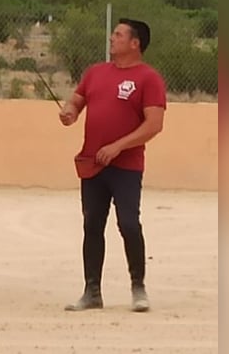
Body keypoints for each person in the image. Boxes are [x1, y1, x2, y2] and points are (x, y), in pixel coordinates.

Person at [58, 18, 166, 313]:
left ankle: (138, 288)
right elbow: (77, 102)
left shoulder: (148, 78)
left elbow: (154, 124)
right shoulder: (95, 72)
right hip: (93, 162)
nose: (111, 38)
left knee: (129, 223)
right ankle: (92, 291)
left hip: (127, 166)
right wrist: (69, 112)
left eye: (118, 35)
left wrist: (118, 146)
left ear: (135, 43)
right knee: (92, 225)